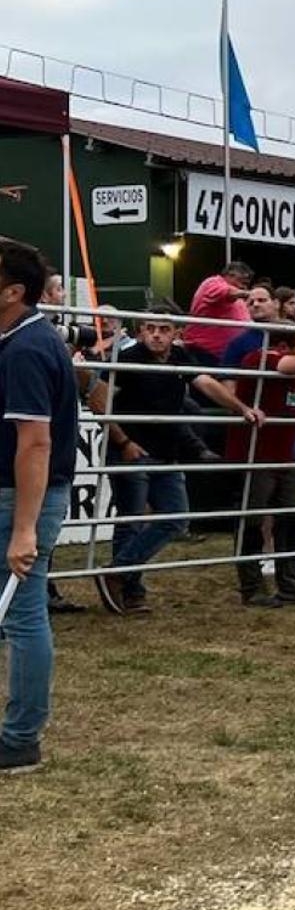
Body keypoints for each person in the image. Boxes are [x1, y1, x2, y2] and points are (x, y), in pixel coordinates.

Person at [88, 303, 264, 614]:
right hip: (132, 450)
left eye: (164, 329)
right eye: (151, 329)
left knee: (175, 516)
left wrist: (241, 408)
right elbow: (98, 400)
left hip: (165, 452)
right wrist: (124, 441)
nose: (156, 335)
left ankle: (117, 574)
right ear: (141, 331)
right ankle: (130, 590)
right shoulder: (127, 359)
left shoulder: (181, 357)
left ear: (176, 334)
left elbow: (206, 383)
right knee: (131, 520)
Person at [0, 239, 79, 774]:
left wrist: (24, 528)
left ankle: (20, 737)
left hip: (22, 498)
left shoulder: (27, 349)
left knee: (24, 617)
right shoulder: (22, 340)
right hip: (20, 495)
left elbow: (36, 442)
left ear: (12, 291)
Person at [229, 322, 295, 606]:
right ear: (282, 347)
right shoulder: (259, 359)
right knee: (252, 519)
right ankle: (252, 586)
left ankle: (289, 582)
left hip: (283, 453)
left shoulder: (287, 363)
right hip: (255, 453)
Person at [183, 260, 254, 363]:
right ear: (230, 275)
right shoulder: (213, 283)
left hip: (230, 356)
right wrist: (249, 294)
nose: (243, 286)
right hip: (205, 353)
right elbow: (224, 292)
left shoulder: (239, 298)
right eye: (242, 282)